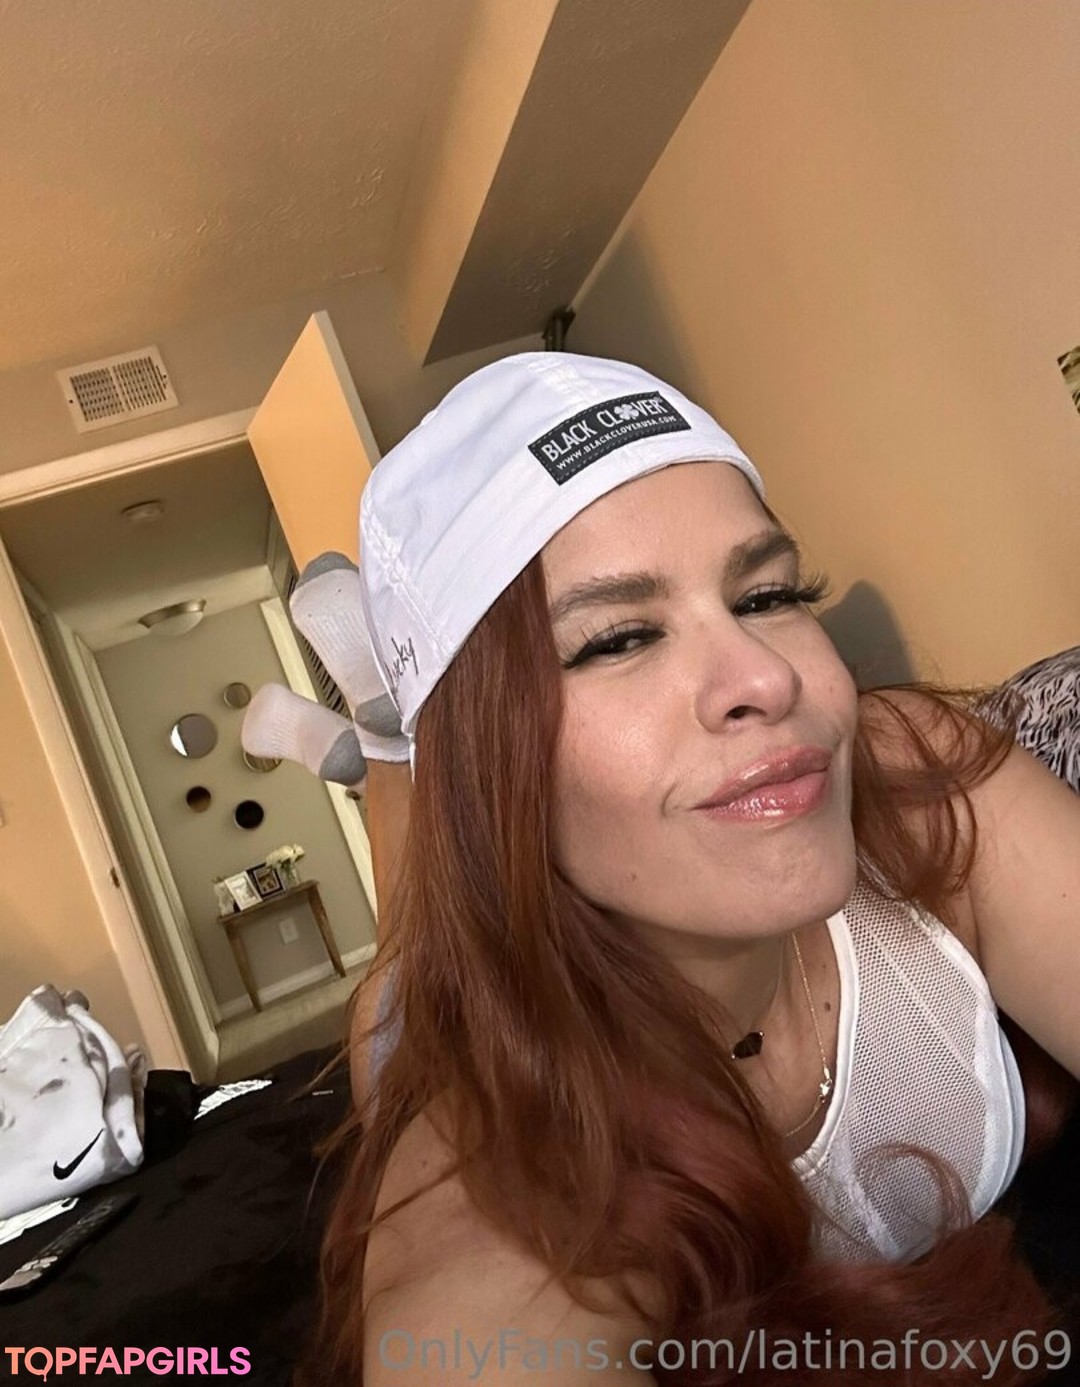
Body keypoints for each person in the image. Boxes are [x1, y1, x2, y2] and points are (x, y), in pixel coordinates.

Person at [298, 353, 1078, 1386]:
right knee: (404, 970)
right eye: (620, 638)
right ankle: (390, 746)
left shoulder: (914, 772)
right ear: (491, 754)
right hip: (436, 966)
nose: (769, 676)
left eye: (769, 594)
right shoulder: (489, 1150)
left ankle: (387, 728)